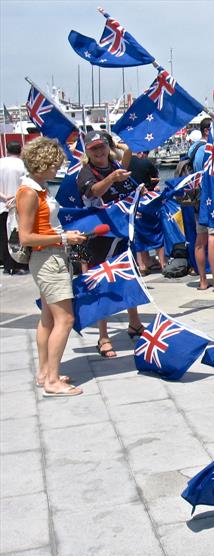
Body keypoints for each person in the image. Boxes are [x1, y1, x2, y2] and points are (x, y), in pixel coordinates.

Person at [16, 137, 86, 396]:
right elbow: (26, 237)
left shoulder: (36, 189)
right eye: (54, 164)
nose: (57, 169)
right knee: (65, 318)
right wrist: (64, 237)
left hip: (49, 255)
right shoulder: (29, 193)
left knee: (47, 318)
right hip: (48, 258)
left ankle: (45, 372)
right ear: (42, 163)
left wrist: (63, 236)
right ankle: (53, 381)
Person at [77, 130, 144, 357]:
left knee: (129, 276)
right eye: (94, 148)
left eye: (102, 146)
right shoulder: (86, 172)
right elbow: (93, 191)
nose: (99, 151)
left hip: (123, 232)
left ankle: (134, 323)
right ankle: (103, 336)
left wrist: (137, 197)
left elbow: (127, 164)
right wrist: (111, 179)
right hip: (101, 236)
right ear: (87, 150)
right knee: (102, 283)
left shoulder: (115, 165)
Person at [191, 118, 214, 293]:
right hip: (210, 199)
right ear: (207, 131)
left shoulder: (194, 149)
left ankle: (203, 280)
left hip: (199, 200)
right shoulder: (207, 150)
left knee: (200, 240)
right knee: (213, 238)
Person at [128, 150, 165, 274]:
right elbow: (156, 177)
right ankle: (162, 263)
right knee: (156, 231)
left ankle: (142, 266)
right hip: (147, 200)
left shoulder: (123, 164)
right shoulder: (145, 163)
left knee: (138, 235)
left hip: (132, 202)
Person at [0, 140, 27, 274]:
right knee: (19, 236)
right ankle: (19, 264)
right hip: (19, 205)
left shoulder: (0, 163)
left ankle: (7, 265)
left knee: (4, 236)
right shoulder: (22, 165)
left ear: (7, 150)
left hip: (2, 204)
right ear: (20, 150)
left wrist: (4, 197)